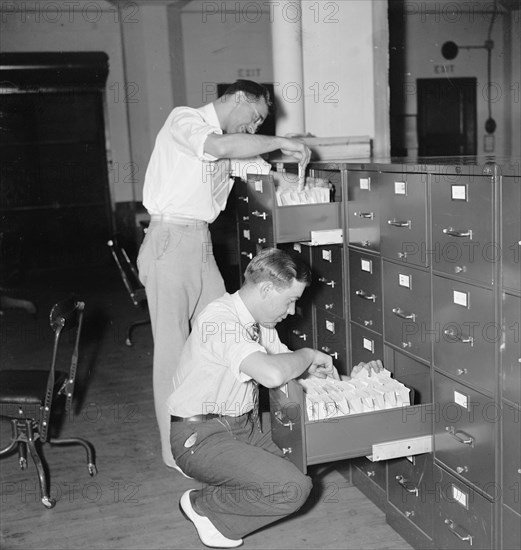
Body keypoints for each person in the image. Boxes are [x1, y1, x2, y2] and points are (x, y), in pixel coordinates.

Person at [137, 80, 311, 471]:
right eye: (254, 118)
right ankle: (174, 451)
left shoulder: (231, 141)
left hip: (199, 242)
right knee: (172, 349)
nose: (253, 128)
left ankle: (223, 432)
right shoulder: (187, 121)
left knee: (225, 327)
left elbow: (262, 175)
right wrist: (278, 140)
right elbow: (220, 148)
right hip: (169, 238)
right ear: (237, 98)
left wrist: (301, 187)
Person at [167, 248, 381, 548]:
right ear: (266, 288)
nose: (292, 311)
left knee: (315, 448)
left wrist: (357, 384)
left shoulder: (260, 326)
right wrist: (306, 354)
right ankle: (203, 506)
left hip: (242, 430)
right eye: (290, 300)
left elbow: (298, 374)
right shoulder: (220, 319)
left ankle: (224, 496)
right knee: (291, 488)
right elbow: (272, 374)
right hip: (200, 437)